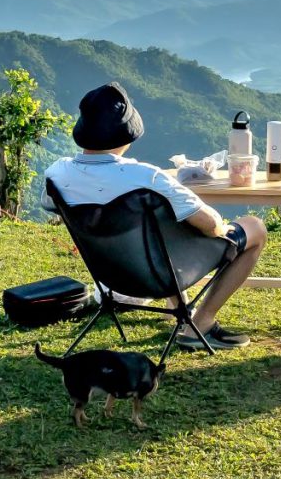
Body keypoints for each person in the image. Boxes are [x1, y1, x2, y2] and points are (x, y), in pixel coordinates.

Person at [42, 82, 269, 349]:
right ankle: (202, 323)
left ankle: (183, 314)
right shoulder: (145, 177)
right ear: (126, 136)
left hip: (112, 275)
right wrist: (221, 227)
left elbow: (52, 206)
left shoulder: (56, 174)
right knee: (254, 228)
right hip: (158, 274)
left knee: (159, 235)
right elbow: (209, 224)